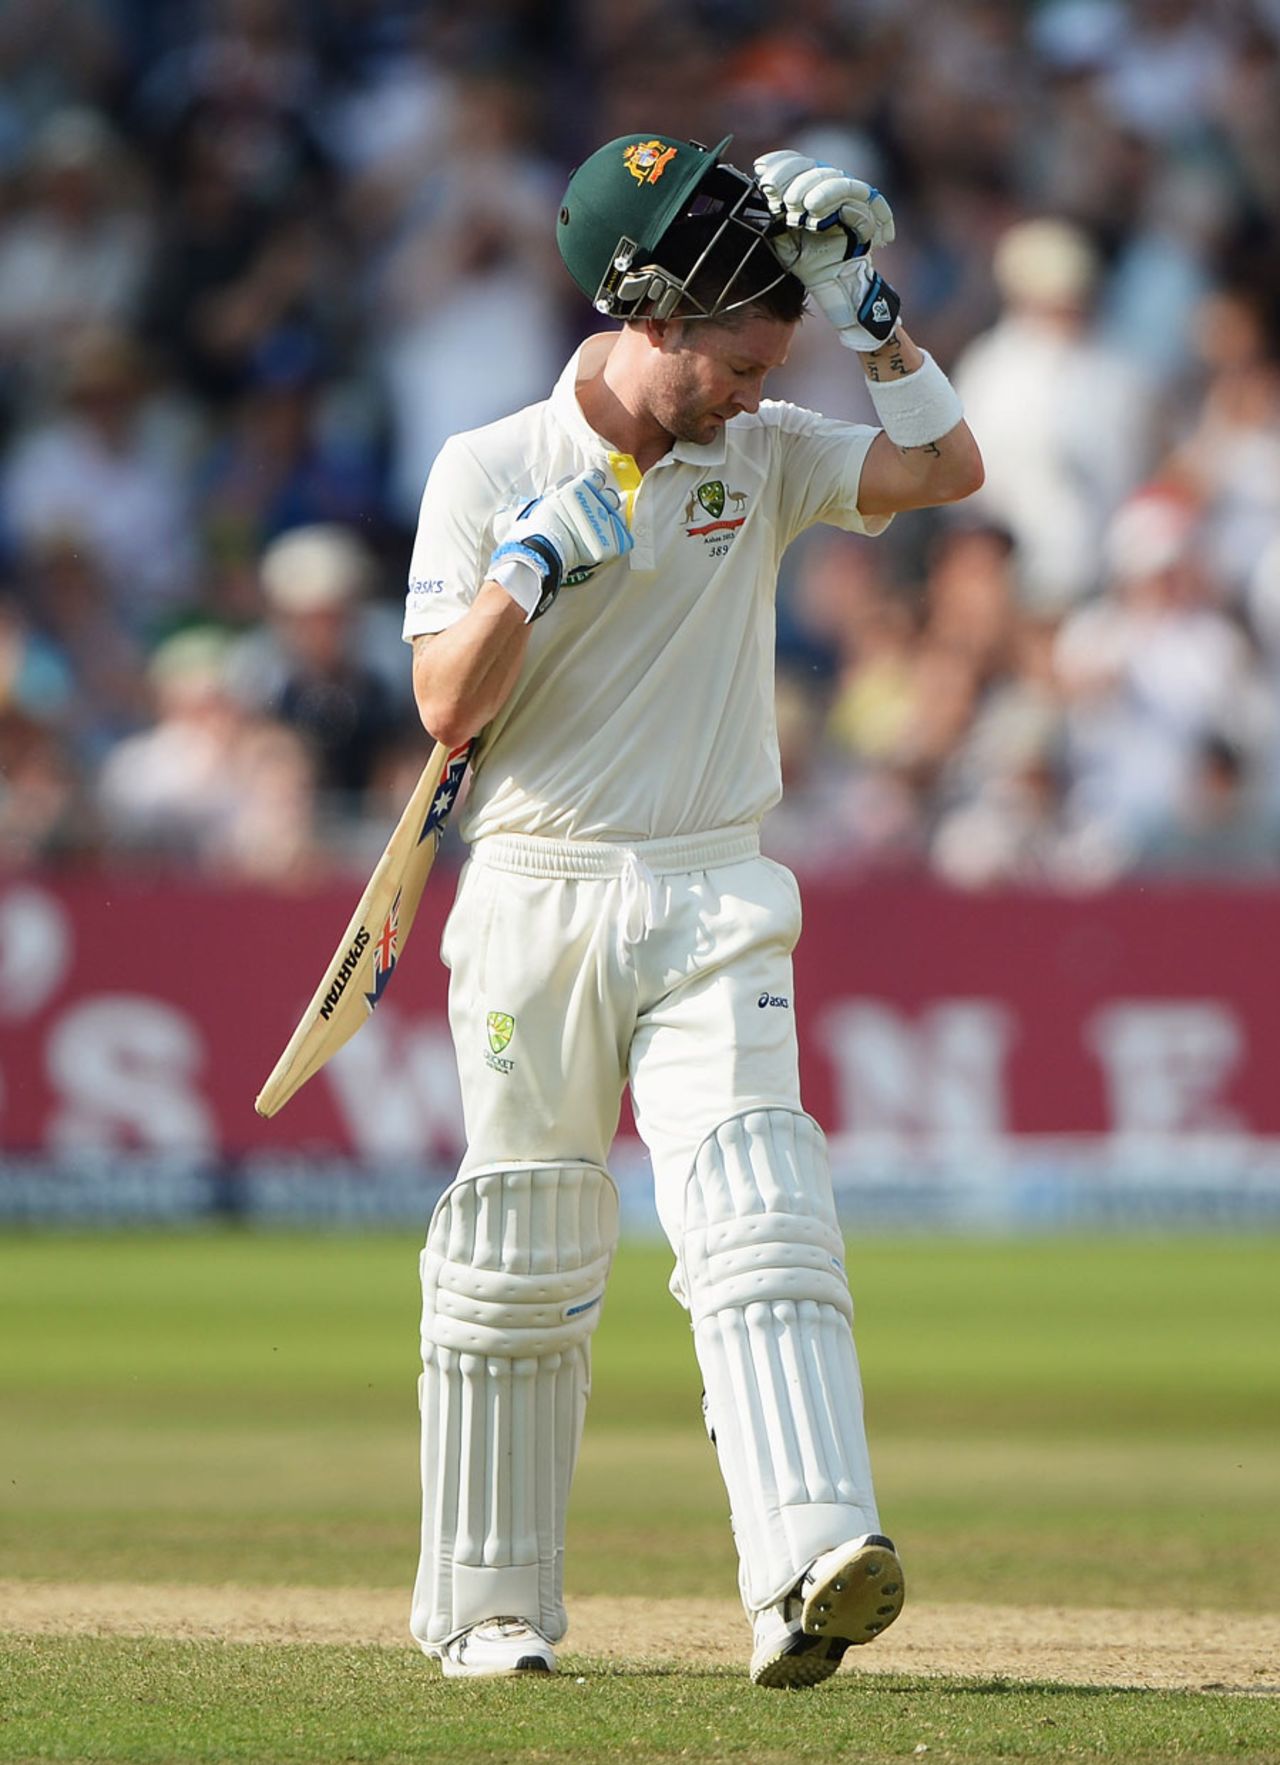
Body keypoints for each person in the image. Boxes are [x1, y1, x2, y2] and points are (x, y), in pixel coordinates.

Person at [401, 131, 982, 1688]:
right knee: (521, 1245)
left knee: (758, 1209)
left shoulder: (766, 449)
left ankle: (809, 1566)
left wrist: (872, 318)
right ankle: (489, 1607)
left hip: (717, 878)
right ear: (646, 312)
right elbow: (445, 708)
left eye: (771, 366)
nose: (749, 393)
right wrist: (529, 566)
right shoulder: (488, 468)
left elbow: (945, 469)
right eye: (734, 363)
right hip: (536, 887)